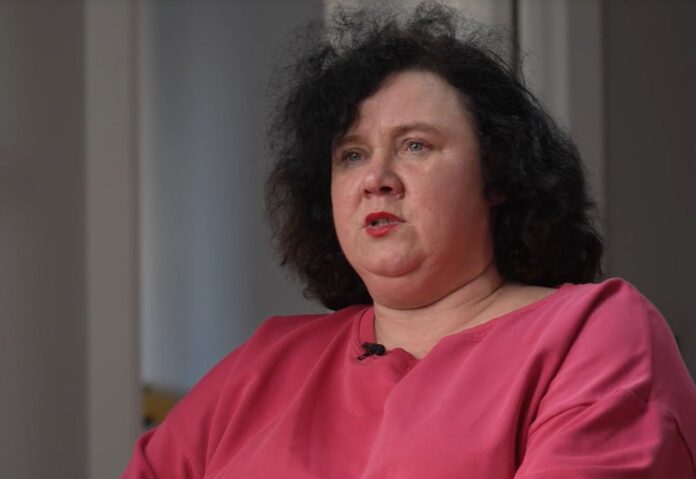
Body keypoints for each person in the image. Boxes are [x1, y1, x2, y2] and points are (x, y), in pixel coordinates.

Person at [122, 3, 696, 478]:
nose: (376, 178)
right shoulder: (264, 363)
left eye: (415, 145)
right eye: (351, 155)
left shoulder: (593, 333)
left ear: (497, 175)